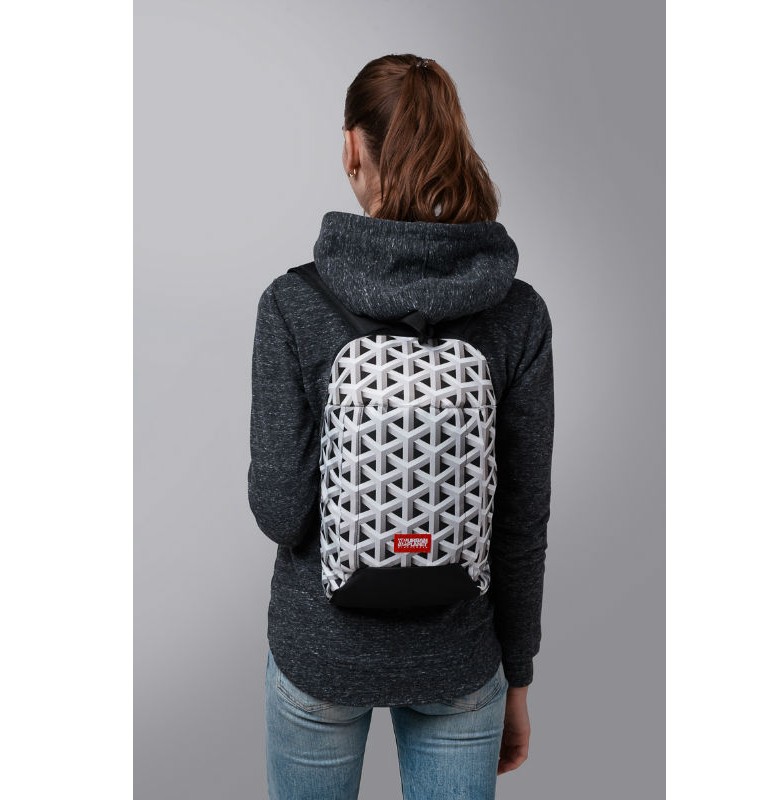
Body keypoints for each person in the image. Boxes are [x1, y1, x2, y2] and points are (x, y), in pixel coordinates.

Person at [248, 53, 555, 800]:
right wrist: (517, 677)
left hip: (322, 655)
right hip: (458, 659)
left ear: (351, 147)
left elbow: (282, 513)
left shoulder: (293, 304)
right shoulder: (516, 311)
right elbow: (521, 520)